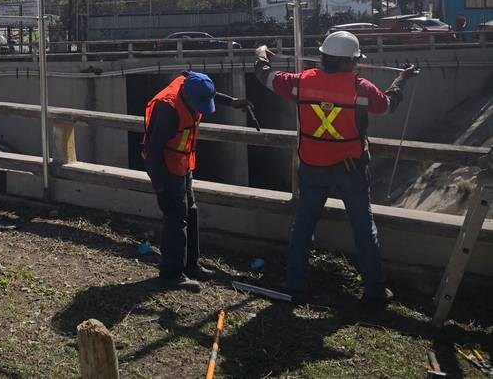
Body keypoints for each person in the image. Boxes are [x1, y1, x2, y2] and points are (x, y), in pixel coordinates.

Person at [254, 31, 418, 304]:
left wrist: (260, 52)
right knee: (364, 229)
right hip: (350, 168)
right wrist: (402, 78)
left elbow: (265, 75)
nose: (356, 64)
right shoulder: (360, 87)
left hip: (312, 166)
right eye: (354, 61)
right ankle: (375, 291)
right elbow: (388, 105)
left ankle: (296, 284)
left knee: (303, 226)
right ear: (345, 62)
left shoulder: (300, 83)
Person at [142, 71, 251, 291]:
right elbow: (152, 151)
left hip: (183, 164)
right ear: (187, 97)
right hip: (168, 169)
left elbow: (207, 92)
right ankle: (171, 273)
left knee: (190, 212)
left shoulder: (191, 85)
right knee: (175, 220)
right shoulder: (168, 109)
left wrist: (232, 102)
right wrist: (159, 185)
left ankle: (191, 265)